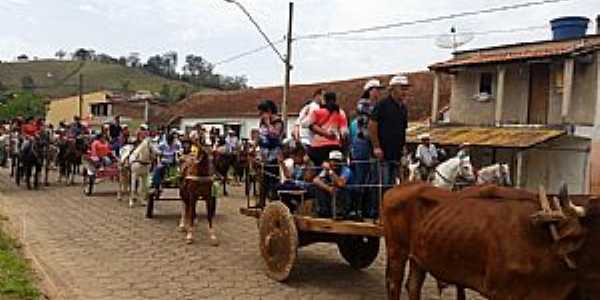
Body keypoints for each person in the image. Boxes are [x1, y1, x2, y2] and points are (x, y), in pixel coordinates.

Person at [350, 79, 384, 218]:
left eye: (379, 90)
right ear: (369, 91)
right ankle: (356, 209)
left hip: (372, 143)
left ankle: (369, 209)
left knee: (372, 178)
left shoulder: (377, 106)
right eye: (376, 89)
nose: (378, 92)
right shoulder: (363, 104)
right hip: (362, 142)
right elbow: (376, 116)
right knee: (361, 176)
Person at [369, 74, 410, 188]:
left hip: (396, 153)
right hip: (383, 153)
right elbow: (372, 126)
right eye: (402, 88)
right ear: (393, 89)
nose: (405, 92)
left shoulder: (403, 108)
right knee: (382, 184)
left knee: (393, 184)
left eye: (406, 89)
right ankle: (377, 205)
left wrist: (403, 147)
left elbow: (403, 129)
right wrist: (376, 147)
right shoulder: (382, 105)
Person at [303, 91, 348, 167]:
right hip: (335, 145)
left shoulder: (317, 112)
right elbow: (344, 132)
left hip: (318, 146)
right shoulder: (340, 112)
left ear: (324, 100)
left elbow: (305, 123)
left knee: (307, 159)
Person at [257, 99, 284, 203]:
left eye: (262, 112)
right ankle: (261, 201)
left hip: (274, 154)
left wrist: (268, 123)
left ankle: (274, 202)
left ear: (268, 111)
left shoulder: (278, 122)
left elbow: (275, 135)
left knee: (273, 179)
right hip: (264, 154)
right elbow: (261, 135)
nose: (260, 115)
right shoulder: (262, 122)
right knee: (263, 179)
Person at [312, 150, 353, 219]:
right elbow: (315, 180)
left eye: (337, 161)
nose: (335, 163)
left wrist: (331, 172)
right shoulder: (327, 170)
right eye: (333, 160)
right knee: (319, 188)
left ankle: (340, 213)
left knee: (339, 190)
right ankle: (323, 212)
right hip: (332, 194)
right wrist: (328, 188)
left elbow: (341, 183)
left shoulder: (346, 170)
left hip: (345, 196)